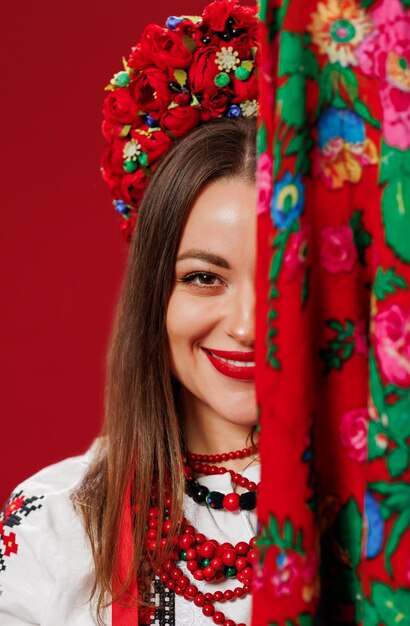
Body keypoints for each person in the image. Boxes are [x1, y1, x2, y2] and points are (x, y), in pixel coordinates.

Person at [0, 2, 260, 625]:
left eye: (282, 281)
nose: (248, 324)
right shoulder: (56, 527)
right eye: (203, 278)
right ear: (153, 295)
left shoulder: (388, 515)